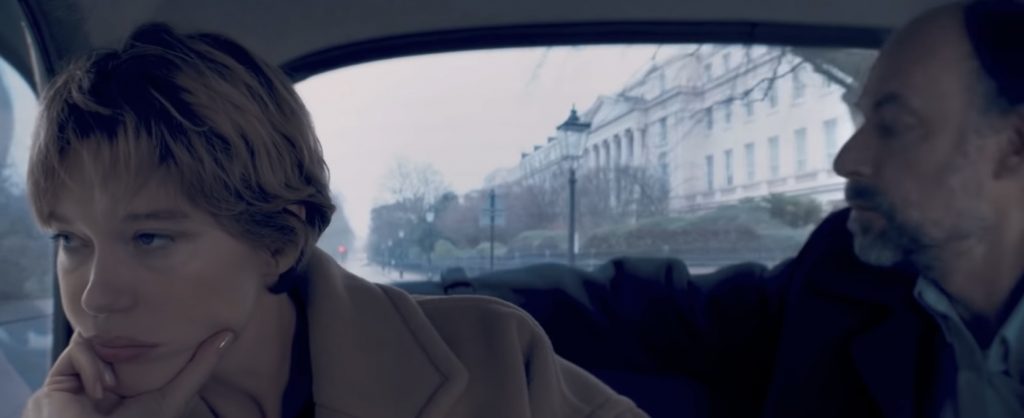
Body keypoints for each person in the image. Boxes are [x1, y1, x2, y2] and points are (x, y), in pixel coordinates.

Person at [424, 1, 1024, 417]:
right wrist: (450, 305)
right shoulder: (846, 273)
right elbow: (668, 311)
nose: (848, 159)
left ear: (1013, 145)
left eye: (892, 125)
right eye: (860, 120)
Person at [17, 24, 647, 418]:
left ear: (277, 240)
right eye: (71, 240)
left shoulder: (497, 359)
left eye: (150, 238)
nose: (95, 297)